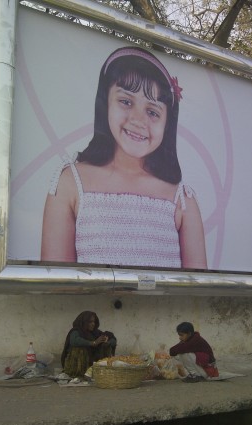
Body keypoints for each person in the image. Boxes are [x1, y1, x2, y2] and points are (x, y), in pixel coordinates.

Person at [41, 46, 207, 269]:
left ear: (168, 124)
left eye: (153, 112)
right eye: (126, 101)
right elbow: (54, 286)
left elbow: (196, 292)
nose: (138, 119)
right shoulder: (70, 182)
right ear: (105, 103)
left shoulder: (182, 199)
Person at [61, 311, 117, 378]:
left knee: (105, 346)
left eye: (94, 322)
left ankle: (99, 370)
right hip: (77, 365)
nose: (93, 324)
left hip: (91, 361)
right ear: (84, 322)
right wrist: (93, 343)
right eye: (90, 322)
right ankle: (79, 373)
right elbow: (74, 341)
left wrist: (107, 342)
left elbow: (113, 340)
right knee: (79, 349)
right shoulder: (76, 331)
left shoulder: (95, 332)